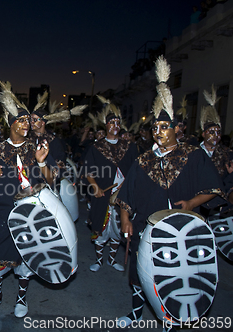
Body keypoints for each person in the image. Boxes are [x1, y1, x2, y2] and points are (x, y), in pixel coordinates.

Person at [116, 56, 223, 330]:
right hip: (146, 228)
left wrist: (191, 203)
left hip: (182, 232)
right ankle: (136, 313)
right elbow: (125, 196)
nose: (158, 132)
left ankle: (171, 319)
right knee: (141, 276)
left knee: (176, 278)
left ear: (177, 129)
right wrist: (126, 219)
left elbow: (213, 189)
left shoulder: (194, 155)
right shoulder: (143, 161)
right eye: (154, 127)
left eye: (164, 127)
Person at [0, 77, 57, 318]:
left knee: (26, 254)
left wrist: (43, 163)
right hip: (2, 211)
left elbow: (52, 180)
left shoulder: (37, 147)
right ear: (10, 124)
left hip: (28, 212)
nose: (27, 124)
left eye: (28, 120)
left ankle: (22, 297)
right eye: (22, 120)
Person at [83, 96, 138, 273]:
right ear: (105, 126)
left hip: (123, 195)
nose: (115, 125)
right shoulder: (96, 147)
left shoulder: (128, 147)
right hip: (103, 195)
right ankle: (99, 260)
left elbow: (136, 171)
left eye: (117, 122)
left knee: (117, 230)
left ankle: (112, 260)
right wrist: (96, 186)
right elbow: (88, 171)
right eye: (111, 122)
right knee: (100, 228)